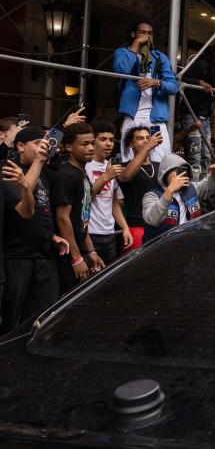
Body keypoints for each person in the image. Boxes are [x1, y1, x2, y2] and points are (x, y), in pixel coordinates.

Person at [1, 127, 65, 333]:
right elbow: (24, 209)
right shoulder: (8, 169)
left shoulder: (43, 174)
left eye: (45, 145)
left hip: (43, 255)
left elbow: (40, 211)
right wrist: (38, 162)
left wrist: (51, 235)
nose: (43, 149)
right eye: (38, 144)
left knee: (42, 318)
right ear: (20, 146)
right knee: (13, 320)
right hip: (17, 257)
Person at [113, 21, 178, 163]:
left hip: (155, 119)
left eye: (150, 33)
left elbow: (173, 87)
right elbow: (122, 70)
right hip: (132, 118)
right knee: (130, 160)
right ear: (133, 34)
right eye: (142, 32)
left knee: (160, 161)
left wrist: (156, 82)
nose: (147, 36)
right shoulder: (123, 52)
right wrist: (135, 45)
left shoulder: (160, 57)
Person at [52, 122, 103, 292]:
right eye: (84, 144)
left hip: (81, 248)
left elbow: (83, 217)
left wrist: (91, 251)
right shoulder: (66, 175)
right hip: (66, 253)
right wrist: (76, 258)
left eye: (92, 143)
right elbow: (62, 218)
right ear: (69, 147)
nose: (90, 148)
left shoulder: (81, 173)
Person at [142, 154, 215, 242]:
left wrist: (214, 174)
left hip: (187, 243)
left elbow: (212, 188)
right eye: (178, 171)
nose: (181, 174)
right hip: (160, 248)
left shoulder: (191, 188)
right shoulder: (152, 195)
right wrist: (169, 191)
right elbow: (153, 220)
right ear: (165, 173)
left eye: (184, 170)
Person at [179, 41, 215, 179]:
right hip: (192, 112)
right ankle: (196, 188)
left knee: (206, 154)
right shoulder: (201, 63)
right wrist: (200, 83)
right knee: (195, 155)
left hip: (204, 114)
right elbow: (181, 78)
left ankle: (204, 186)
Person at [84, 120, 132, 265]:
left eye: (111, 140)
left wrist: (125, 228)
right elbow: (84, 198)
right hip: (90, 234)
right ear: (93, 141)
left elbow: (114, 202)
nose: (108, 144)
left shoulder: (110, 166)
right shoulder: (86, 165)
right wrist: (105, 177)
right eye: (103, 139)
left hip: (109, 234)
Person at [116, 126, 164, 250]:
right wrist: (148, 146)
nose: (145, 141)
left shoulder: (160, 166)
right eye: (140, 138)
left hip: (160, 227)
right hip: (136, 227)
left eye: (148, 138)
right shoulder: (123, 167)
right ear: (131, 143)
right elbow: (126, 176)